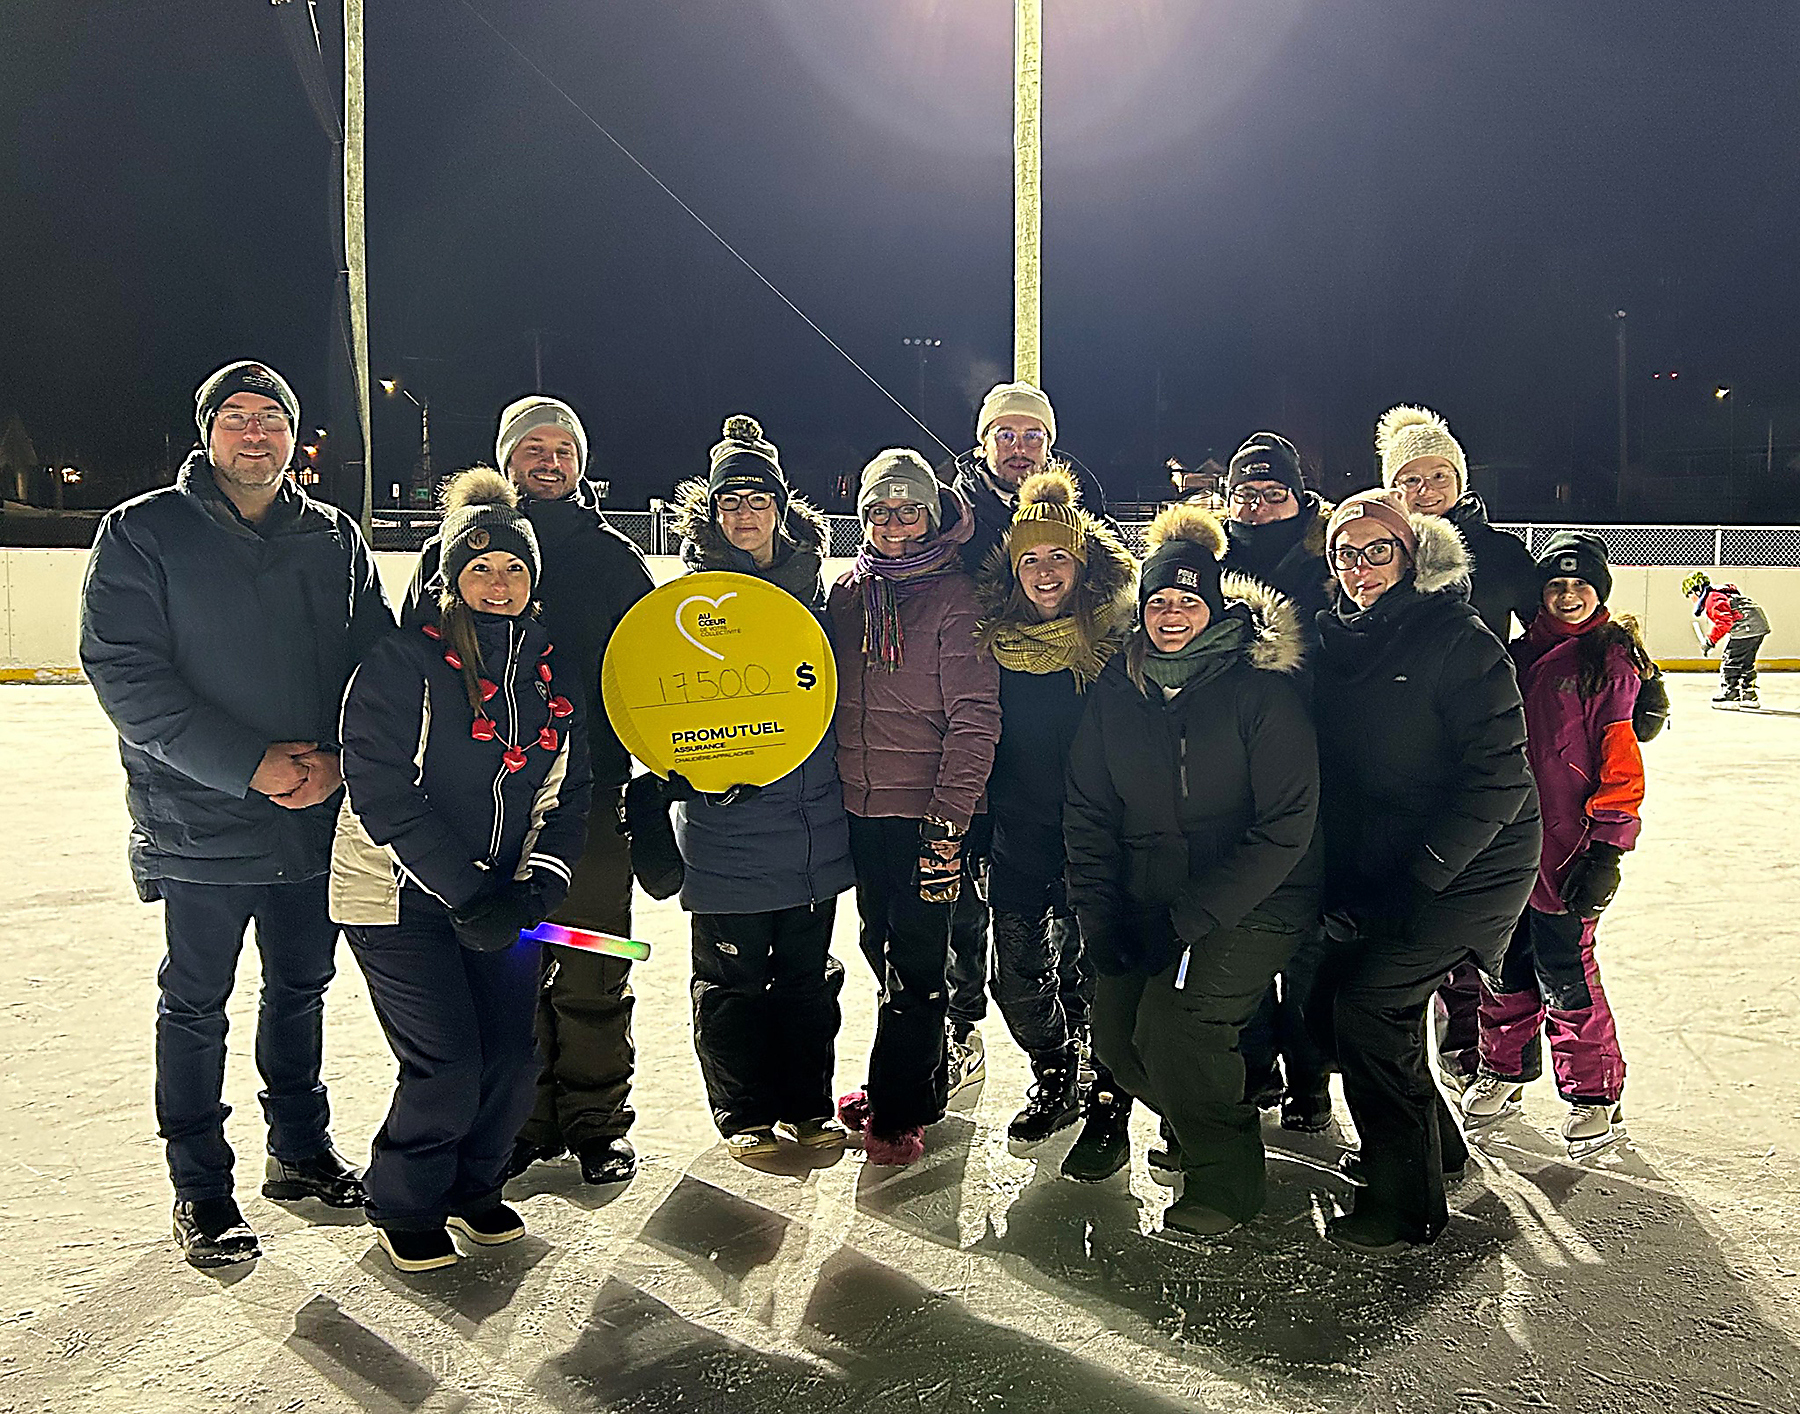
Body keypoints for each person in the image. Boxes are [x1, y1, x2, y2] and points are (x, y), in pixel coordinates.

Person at [79, 360, 392, 1268]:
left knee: (300, 987)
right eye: (237, 417)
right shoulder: (144, 533)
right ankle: (202, 1189)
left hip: (311, 813)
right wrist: (246, 765)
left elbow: (373, 659)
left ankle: (297, 1150)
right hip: (201, 819)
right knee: (197, 1002)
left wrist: (342, 759)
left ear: (294, 437)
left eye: (273, 419)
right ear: (207, 430)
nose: (256, 434)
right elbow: (125, 675)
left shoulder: (333, 536)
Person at [333, 468, 592, 1271]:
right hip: (397, 896)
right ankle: (406, 1199)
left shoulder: (548, 672)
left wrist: (537, 886)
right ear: (449, 577)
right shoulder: (402, 664)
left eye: (514, 568)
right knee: (447, 1061)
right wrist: (466, 888)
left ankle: (477, 1188)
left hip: (505, 898)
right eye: (479, 568)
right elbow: (382, 787)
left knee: (513, 1061)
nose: (498, 583)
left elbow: (566, 790)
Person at [404, 397, 653, 1187]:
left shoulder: (612, 556)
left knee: (591, 960)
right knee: (510, 966)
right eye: (532, 448)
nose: (549, 461)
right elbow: (416, 656)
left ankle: (596, 1120)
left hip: (586, 802)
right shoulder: (456, 550)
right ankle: (521, 1119)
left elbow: (655, 670)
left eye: (563, 449)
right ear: (506, 459)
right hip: (483, 808)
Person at [1062, 503, 1318, 1235]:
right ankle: (1211, 1116)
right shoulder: (1120, 691)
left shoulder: (1259, 693)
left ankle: (1225, 1180)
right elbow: (1088, 811)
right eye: (1159, 602)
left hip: (1258, 897)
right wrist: (1101, 917)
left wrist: (1187, 919)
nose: (1172, 615)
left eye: (1189, 601)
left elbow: (1286, 829)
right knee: (1115, 1034)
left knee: (1180, 1027)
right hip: (1150, 893)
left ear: (1213, 606)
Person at [1309, 490, 1540, 1254]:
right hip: (1400, 854)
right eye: (1346, 552)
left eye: (1379, 550)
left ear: (1412, 557)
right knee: (1364, 999)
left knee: (1372, 1006)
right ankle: (1434, 1151)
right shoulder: (1343, 633)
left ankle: (1408, 1203)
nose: (1360, 567)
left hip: (1474, 863)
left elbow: (1501, 781)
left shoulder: (1456, 637)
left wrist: (1423, 879)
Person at [664, 416, 855, 1161]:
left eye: (757, 498)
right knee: (733, 979)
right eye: (729, 501)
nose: (744, 513)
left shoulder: (819, 591)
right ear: (712, 514)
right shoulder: (687, 603)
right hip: (727, 826)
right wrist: (693, 778)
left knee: (806, 978)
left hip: (811, 817)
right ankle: (743, 1106)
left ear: (781, 506)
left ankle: (807, 1103)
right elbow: (664, 705)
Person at [937, 382, 1111, 1089]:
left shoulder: (1080, 514)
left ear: (1049, 444)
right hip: (977, 746)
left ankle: (1079, 1050)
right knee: (965, 911)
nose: (1017, 446)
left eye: (1030, 435)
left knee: (1067, 926)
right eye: (1003, 434)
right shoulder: (954, 516)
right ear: (983, 443)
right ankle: (960, 1025)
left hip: (1059, 777)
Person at [829, 449, 1001, 1166]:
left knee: (919, 962)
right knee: (878, 943)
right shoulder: (847, 592)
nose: (893, 524)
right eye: (879, 511)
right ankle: (912, 1081)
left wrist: (952, 812)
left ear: (932, 516)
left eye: (908, 510)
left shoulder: (957, 598)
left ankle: (899, 1111)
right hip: (859, 805)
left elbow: (975, 715)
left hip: (930, 811)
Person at [1464, 533, 1646, 1159]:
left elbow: (1621, 763)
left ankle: (1594, 1091)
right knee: (1502, 962)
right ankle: (1504, 1068)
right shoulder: (1514, 656)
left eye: (1581, 585)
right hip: (1507, 842)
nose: (1568, 595)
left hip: (1569, 847)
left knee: (1567, 971)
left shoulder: (1609, 664)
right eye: (1555, 585)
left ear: (1600, 592)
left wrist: (1608, 847)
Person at [972, 467, 1136, 1146]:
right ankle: (1054, 1067)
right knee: (1015, 978)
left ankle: (1106, 1086)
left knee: (1096, 975)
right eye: (1030, 559)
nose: (1044, 573)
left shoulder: (1117, 640)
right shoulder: (994, 641)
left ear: (1082, 562)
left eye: (1058, 557)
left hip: (1100, 838)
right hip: (1019, 833)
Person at [1377, 404, 1539, 1091]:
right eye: (1409, 479)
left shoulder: (1500, 553)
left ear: (1459, 477)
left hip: (1488, 744)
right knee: (1426, 906)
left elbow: (1555, 631)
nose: (1426, 489)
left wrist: (1616, 681)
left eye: (1437, 474)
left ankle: (1494, 1049)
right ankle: (1444, 1042)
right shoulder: (1384, 554)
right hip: (1412, 753)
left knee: (1489, 916)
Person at [1216, 431, 1336, 1131]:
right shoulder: (1209, 563)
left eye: (1273, 495)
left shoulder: (1329, 562)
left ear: (1298, 498)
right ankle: (1253, 1068)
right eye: (1246, 496)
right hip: (1231, 780)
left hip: (1319, 777)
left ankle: (1311, 1078)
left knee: (1309, 944)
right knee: (1241, 932)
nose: (1259, 509)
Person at [1682, 571, 1772, 709]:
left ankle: (1730, 696)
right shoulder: (1723, 593)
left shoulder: (1712, 598)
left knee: (1731, 660)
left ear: (1697, 590)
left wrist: (1710, 641)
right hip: (1759, 625)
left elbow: (1724, 622)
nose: (1692, 600)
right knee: (1747, 661)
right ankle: (1749, 695)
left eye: (1690, 595)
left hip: (1746, 627)